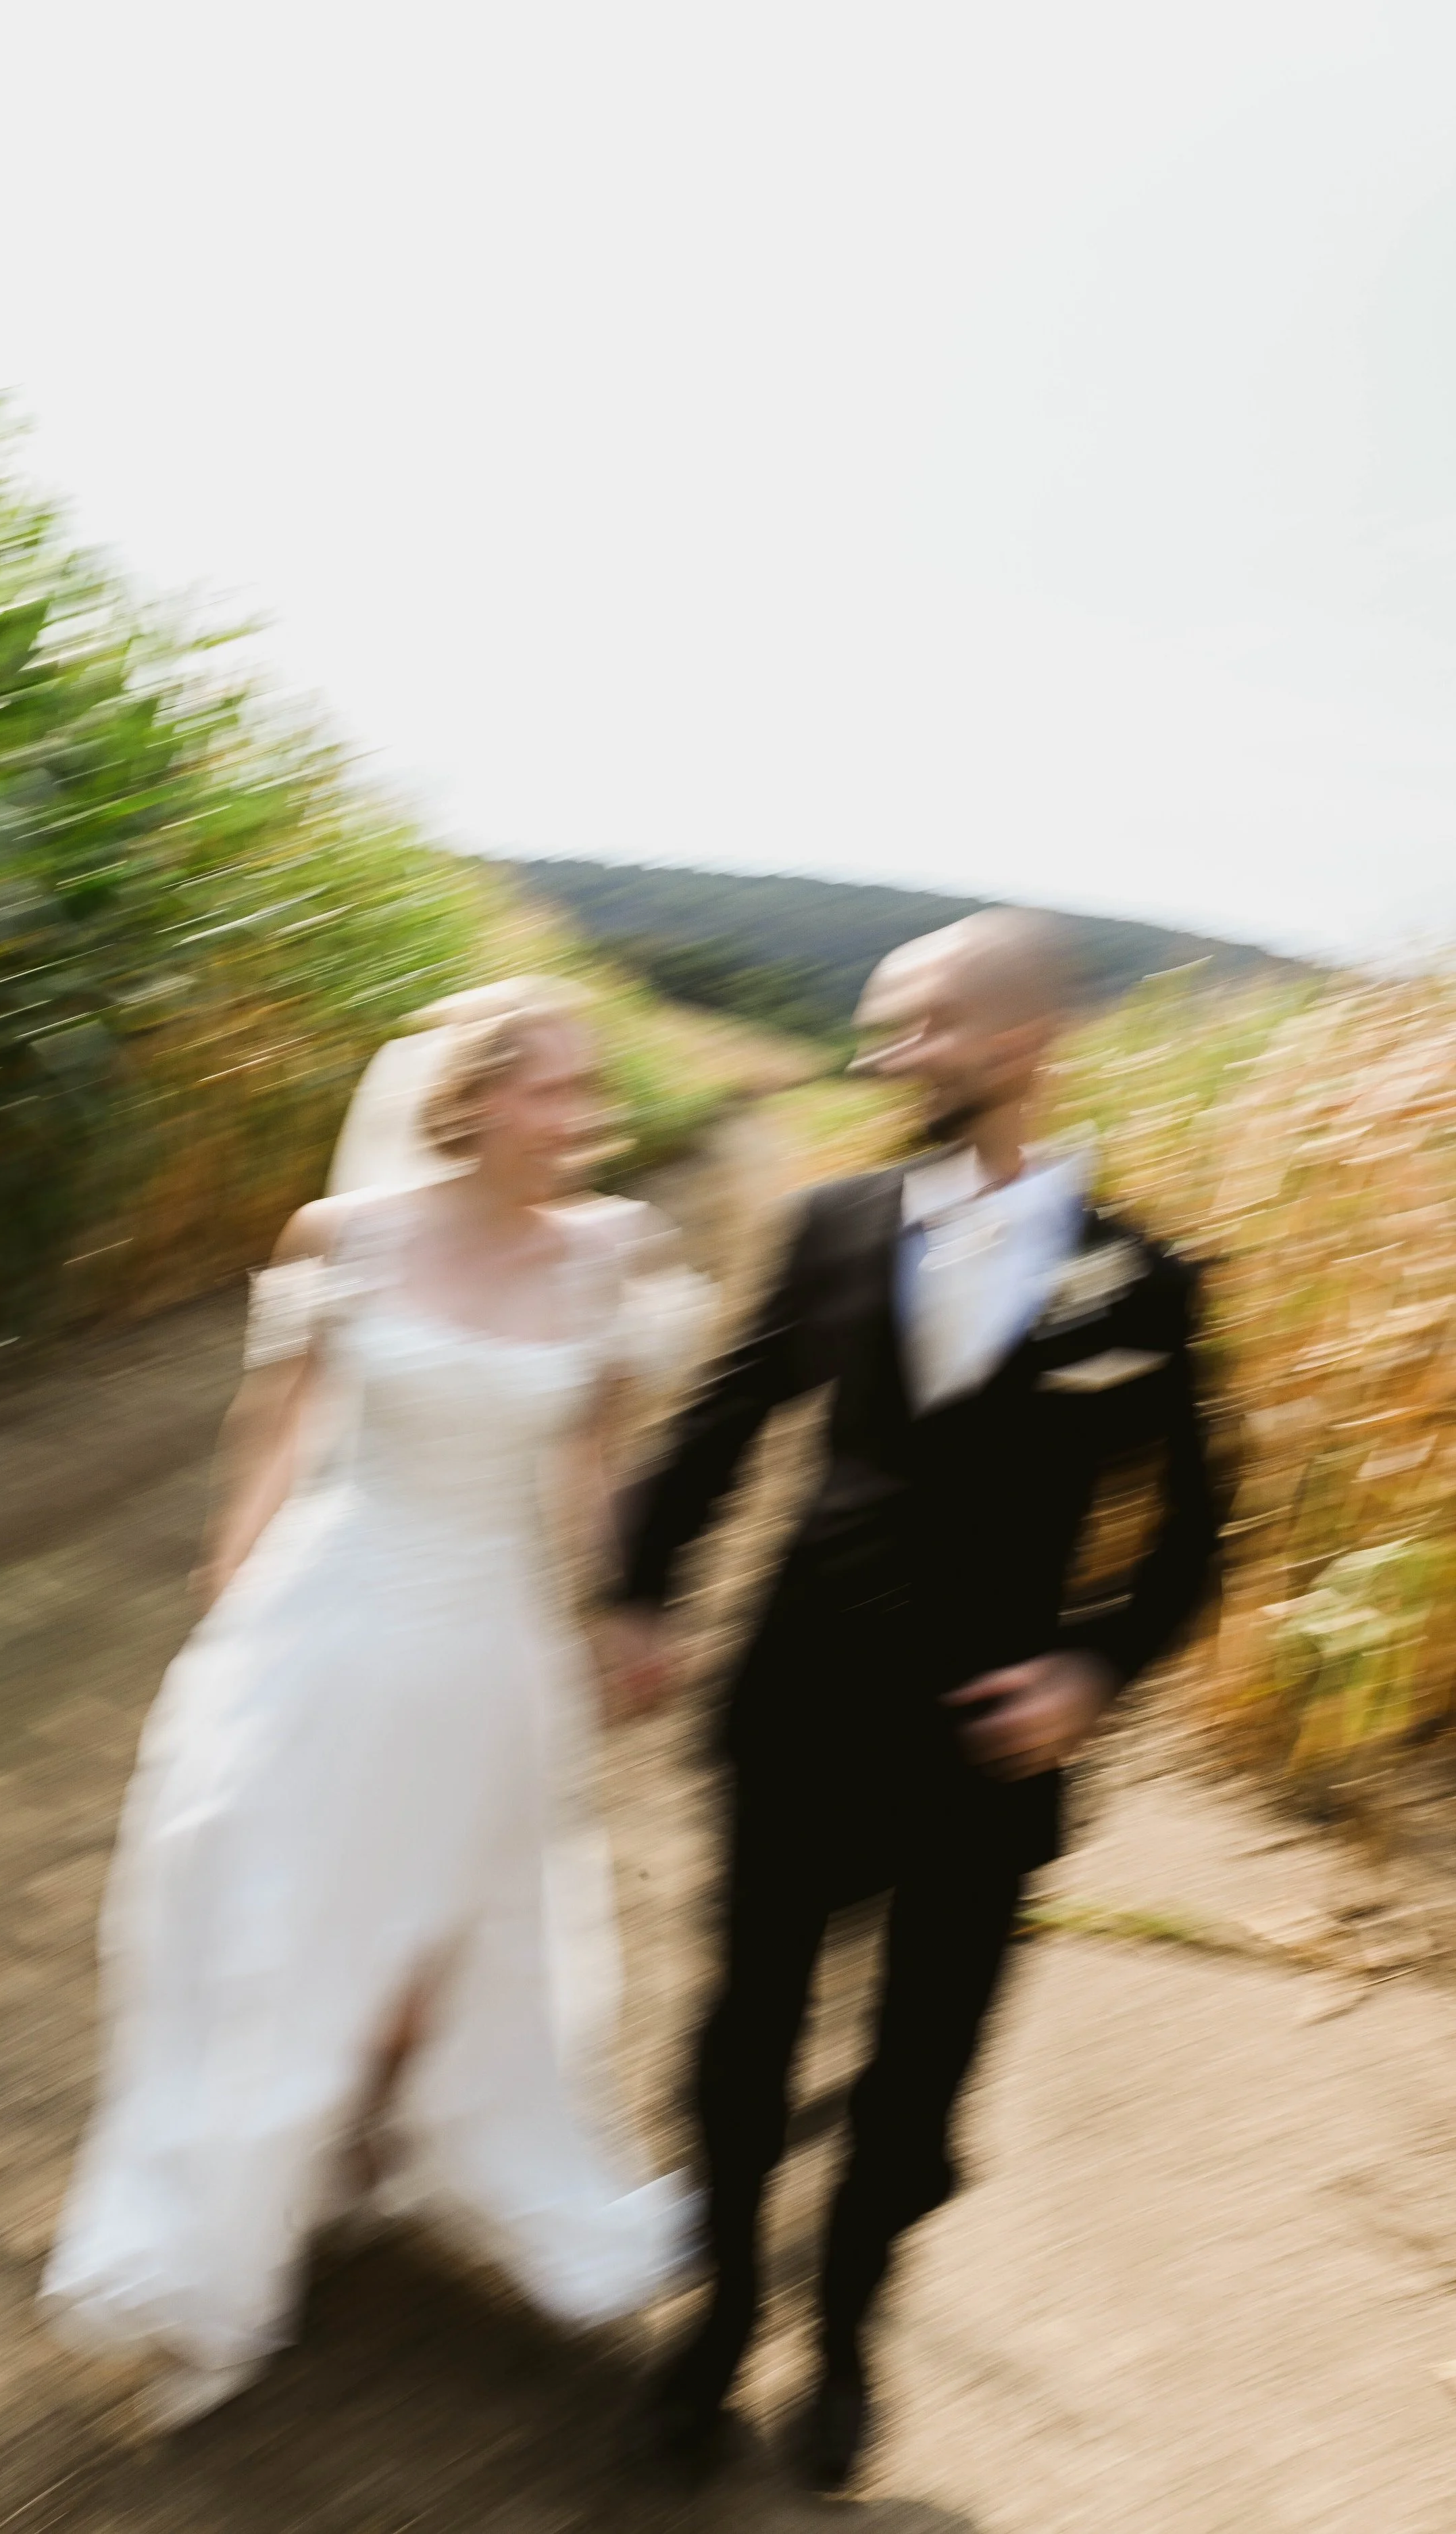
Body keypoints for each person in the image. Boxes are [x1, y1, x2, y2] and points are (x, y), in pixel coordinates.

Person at [605, 910, 1220, 2491]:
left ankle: (851, 2330)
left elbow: (1194, 1535)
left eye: (921, 1021)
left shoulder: (1139, 1282)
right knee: (739, 2045)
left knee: (917, 2081)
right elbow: (718, 1424)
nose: (887, 1054)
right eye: (880, 1023)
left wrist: (1092, 1666)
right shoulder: (828, 1225)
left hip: (986, 1748)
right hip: (793, 1711)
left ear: (1024, 1037)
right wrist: (637, 1588)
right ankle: (724, 2314)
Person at [41, 977, 709, 2429]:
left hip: (485, 1647)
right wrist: (232, 1589)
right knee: (266, 1910)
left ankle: (371, 2145)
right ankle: (223, 2231)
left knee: (440, 1940)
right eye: (552, 1087)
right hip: (328, 1620)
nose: (583, 1115)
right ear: (468, 1102)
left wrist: (622, 1612)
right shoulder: (343, 1239)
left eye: (591, 1090)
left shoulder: (613, 1264)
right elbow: (274, 1419)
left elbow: (593, 1468)